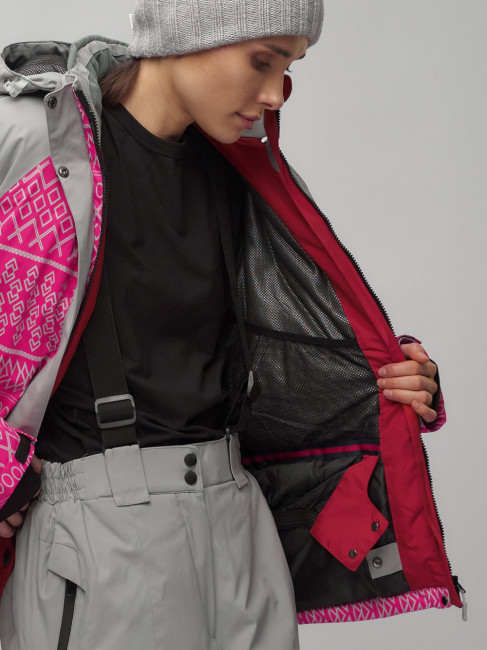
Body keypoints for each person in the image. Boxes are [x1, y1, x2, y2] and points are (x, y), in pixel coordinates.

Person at [0, 1, 460, 648]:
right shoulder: (38, 140)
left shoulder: (236, 166)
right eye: (261, 60)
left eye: (289, 67)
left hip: (241, 524)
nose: (275, 92)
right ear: (187, 33)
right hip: (99, 542)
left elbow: (275, 352)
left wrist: (386, 378)